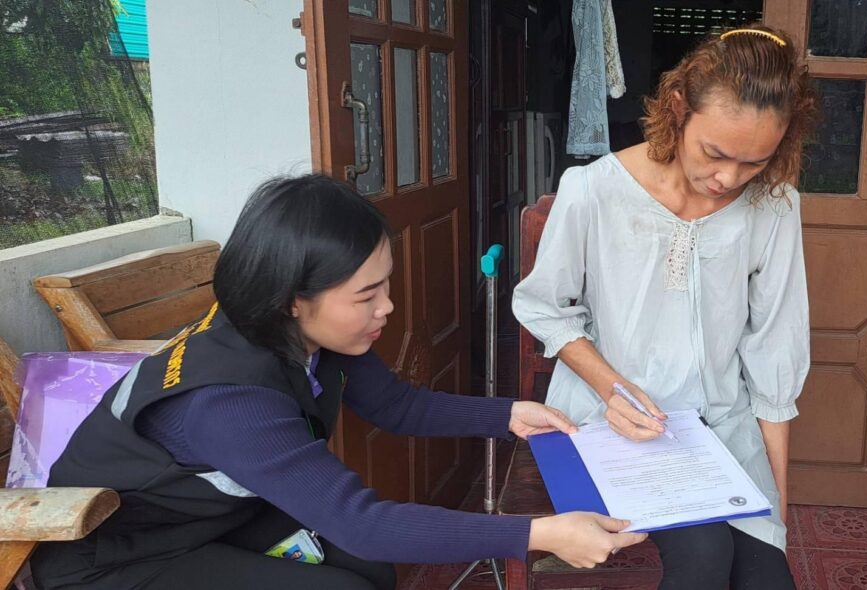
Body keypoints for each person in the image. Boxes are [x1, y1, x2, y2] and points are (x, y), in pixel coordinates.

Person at [31, 175, 648, 590]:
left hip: (211, 516)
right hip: (118, 557)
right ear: (293, 299)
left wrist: (507, 414)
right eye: (366, 295)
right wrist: (539, 533)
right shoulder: (229, 404)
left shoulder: (308, 336)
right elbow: (362, 520)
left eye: (385, 284)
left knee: (369, 571)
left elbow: (395, 406)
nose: (387, 308)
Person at [512, 24, 817, 590]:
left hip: (722, 426)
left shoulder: (775, 206)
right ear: (678, 109)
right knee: (704, 556)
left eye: (754, 162)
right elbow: (545, 307)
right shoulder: (593, 190)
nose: (728, 179)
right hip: (614, 423)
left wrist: (773, 508)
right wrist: (614, 389)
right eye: (715, 153)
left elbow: (775, 355)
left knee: (766, 577)